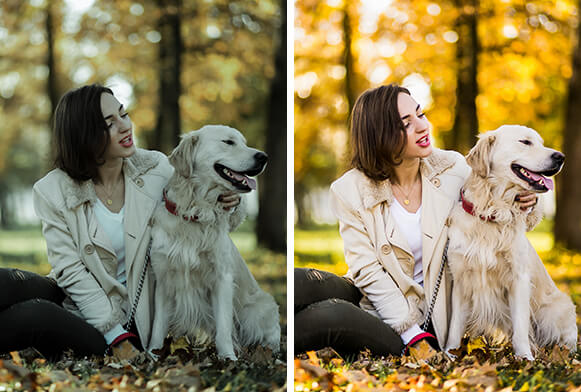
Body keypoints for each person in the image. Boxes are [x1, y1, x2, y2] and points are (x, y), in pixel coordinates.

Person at [295, 84, 538, 357]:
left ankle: (268, 342)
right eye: (406, 123)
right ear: (379, 134)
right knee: (300, 281)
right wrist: (413, 335)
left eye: (420, 115)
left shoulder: (455, 169)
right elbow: (366, 270)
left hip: (427, 314)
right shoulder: (349, 189)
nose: (422, 127)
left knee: (330, 316)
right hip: (376, 296)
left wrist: (526, 203)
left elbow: (500, 214)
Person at [0, 84, 239, 360]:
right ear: (84, 135)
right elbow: (70, 270)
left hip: (130, 316)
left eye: (123, 114)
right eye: (109, 123)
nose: (125, 126)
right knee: (6, 282)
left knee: (34, 314)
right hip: (78, 296)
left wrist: (230, 202)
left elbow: (207, 214)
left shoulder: (158, 170)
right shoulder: (52, 189)